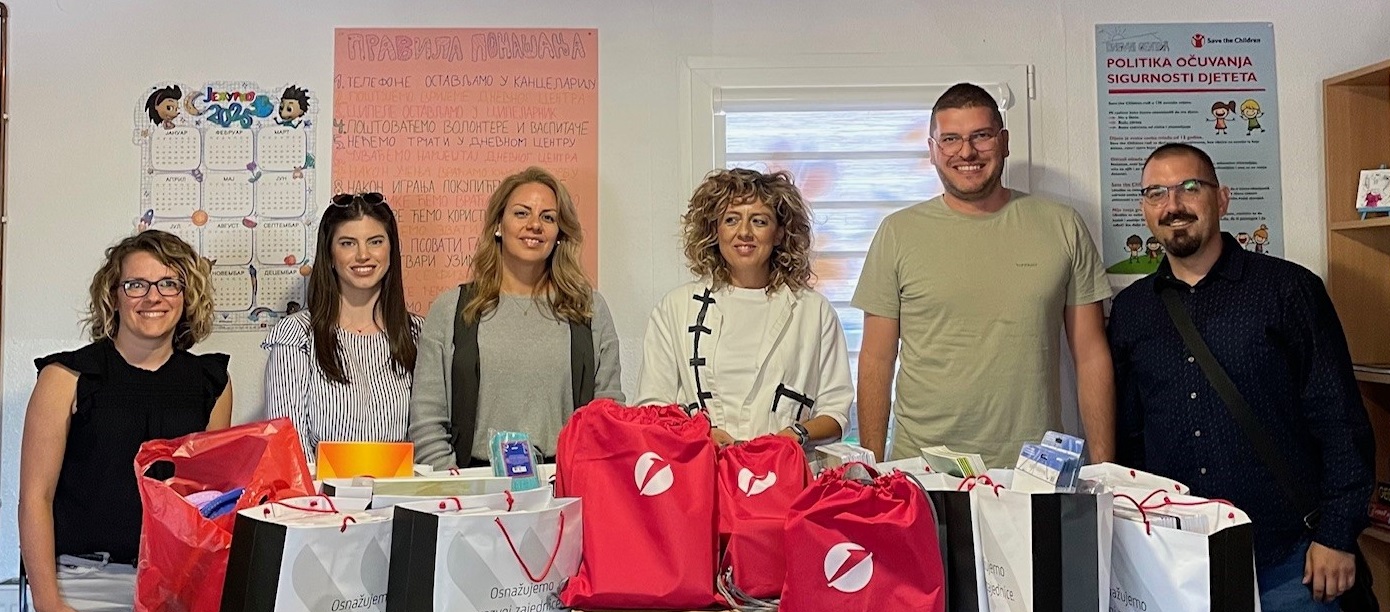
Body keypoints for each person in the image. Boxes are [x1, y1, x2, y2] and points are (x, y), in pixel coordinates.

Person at [1107, 142, 1374, 612]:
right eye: (1156, 193)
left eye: (1189, 187)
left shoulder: (1288, 291)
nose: (1173, 205)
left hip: (1291, 560)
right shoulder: (1133, 312)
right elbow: (1131, 442)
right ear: (1143, 210)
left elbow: (1339, 419)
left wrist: (1338, 534)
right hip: (1183, 577)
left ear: (1221, 198)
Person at [18, 230, 233, 612]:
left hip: (165, 597)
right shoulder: (67, 377)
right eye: (136, 283)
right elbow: (34, 497)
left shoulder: (211, 383)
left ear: (187, 295)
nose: (152, 296)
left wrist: (195, 607)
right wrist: (47, 605)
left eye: (167, 283)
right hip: (82, 591)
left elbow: (203, 509)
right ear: (112, 295)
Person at [852, 82, 1114, 466]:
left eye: (981, 136)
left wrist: (1105, 469)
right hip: (922, 467)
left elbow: (1091, 356)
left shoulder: (1063, 226)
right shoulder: (897, 233)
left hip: (1033, 469)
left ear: (1004, 142)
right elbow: (876, 358)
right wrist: (872, 469)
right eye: (951, 139)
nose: (967, 152)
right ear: (932, 150)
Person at [411, 166, 623, 467]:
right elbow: (427, 418)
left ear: (559, 233)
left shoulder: (589, 309)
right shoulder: (451, 309)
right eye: (522, 213)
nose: (534, 225)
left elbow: (609, 411)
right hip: (472, 484)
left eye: (548, 218)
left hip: (564, 482)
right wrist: (454, 484)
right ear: (498, 224)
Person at [637, 168, 853, 446]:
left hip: (784, 467)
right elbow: (651, 407)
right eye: (731, 220)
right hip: (703, 466)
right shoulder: (675, 309)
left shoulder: (815, 312)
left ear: (779, 233)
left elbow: (836, 412)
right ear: (714, 230)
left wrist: (793, 436)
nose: (744, 232)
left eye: (759, 221)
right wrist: (699, 435)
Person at [262, 192, 420, 460]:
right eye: (348, 243)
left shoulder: (419, 334)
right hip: (319, 486)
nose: (363, 255)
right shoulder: (297, 335)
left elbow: (429, 436)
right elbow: (290, 446)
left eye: (375, 242)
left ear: (391, 250)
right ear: (330, 255)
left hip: (404, 485)